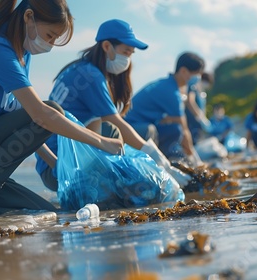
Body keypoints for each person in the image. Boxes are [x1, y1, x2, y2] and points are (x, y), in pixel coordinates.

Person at [0, 0, 124, 218]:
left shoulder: (21, 53)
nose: (50, 45)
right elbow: (41, 115)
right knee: (51, 110)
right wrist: (101, 142)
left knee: (47, 214)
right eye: (50, 35)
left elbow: (24, 122)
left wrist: (56, 165)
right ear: (29, 17)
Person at [35, 19, 190, 191]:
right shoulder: (90, 75)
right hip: (60, 168)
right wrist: (157, 158)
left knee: (116, 138)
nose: (128, 59)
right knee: (116, 132)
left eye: (131, 54)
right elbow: (114, 122)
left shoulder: (80, 69)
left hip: (53, 165)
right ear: (107, 46)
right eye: (125, 52)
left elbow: (93, 126)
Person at [124, 52, 205, 166]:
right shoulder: (171, 92)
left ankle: (164, 159)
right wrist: (195, 160)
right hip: (130, 128)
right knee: (174, 129)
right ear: (183, 71)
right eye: (196, 74)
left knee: (172, 129)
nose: (197, 79)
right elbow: (184, 128)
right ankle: (156, 163)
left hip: (139, 124)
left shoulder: (168, 84)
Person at [185, 72, 213, 144]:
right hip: (191, 120)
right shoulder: (193, 86)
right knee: (192, 138)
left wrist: (203, 117)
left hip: (197, 122)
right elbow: (190, 101)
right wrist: (199, 115)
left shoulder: (202, 93)